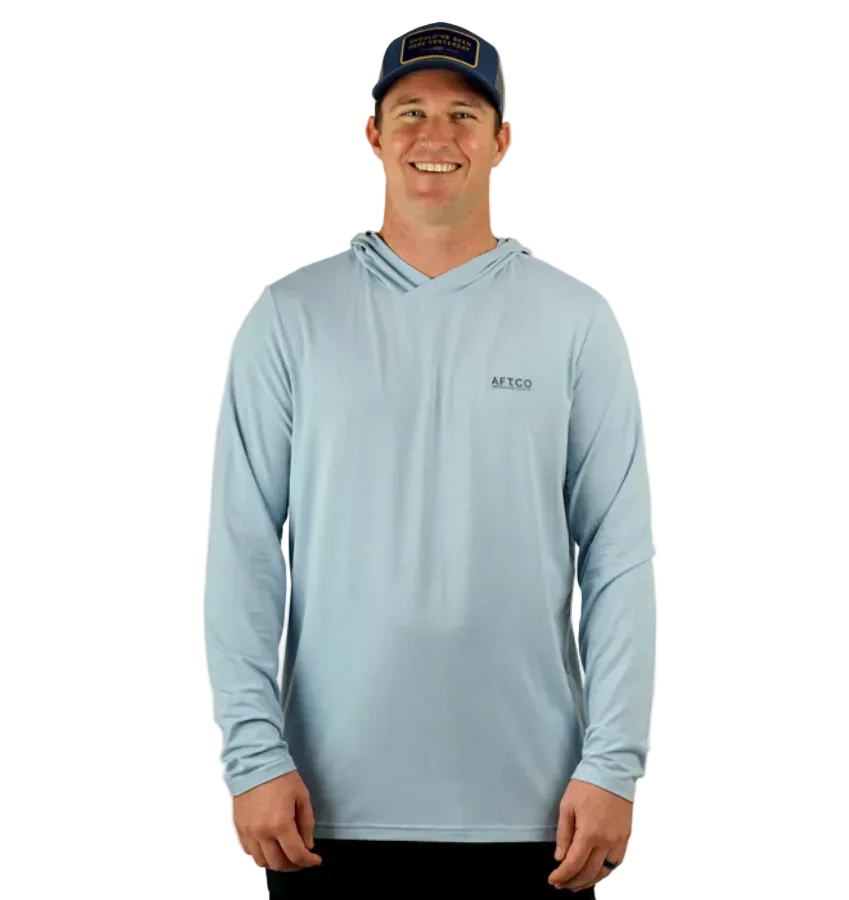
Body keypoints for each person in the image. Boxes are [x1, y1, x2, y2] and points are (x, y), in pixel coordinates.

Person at [203, 21, 657, 899]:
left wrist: (614, 765)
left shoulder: (575, 321)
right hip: (323, 815)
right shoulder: (291, 318)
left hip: (538, 814)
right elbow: (243, 550)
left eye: (463, 114)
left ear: (501, 141)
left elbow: (619, 558)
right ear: (374, 135)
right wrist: (253, 758)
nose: (434, 135)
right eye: (410, 111)